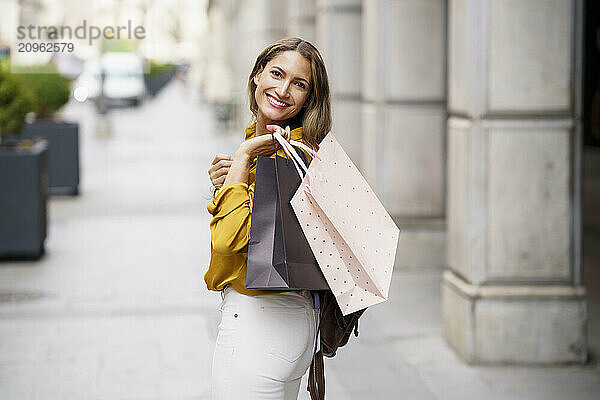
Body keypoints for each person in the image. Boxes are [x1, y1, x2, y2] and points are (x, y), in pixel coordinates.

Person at [205, 37, 332, 399]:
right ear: (257, 75)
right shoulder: (291, 149)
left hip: (261, 322)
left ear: (309, 98)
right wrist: (231, 181)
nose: (283, 89)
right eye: (277, 73)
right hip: (287, 321)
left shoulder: (279, 155)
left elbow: (228, 242)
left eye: (299, 84)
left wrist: (243, 158)